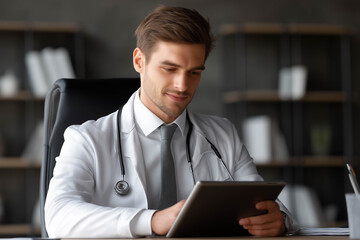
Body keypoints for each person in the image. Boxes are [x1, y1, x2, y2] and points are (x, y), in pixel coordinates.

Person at [45, 5, 298, 238]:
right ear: (139, 61)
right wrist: (153, 220)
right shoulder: (86, 139)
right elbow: (58, 217)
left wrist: (279, 220)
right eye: (170, 69)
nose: (182, 85)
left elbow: (267, 204)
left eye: (194, 72)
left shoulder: (222, 134)